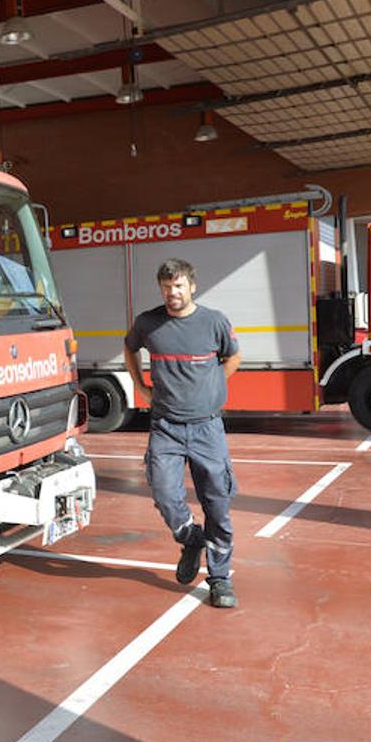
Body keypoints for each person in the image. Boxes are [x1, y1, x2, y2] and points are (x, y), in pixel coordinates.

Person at [123, 258, 242, 609]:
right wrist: (139, 385)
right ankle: (191, 538)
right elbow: (129, 348)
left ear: (192, 286)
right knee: (163, 492)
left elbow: (232, 358)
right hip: (165, 426)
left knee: (217, 504)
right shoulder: (148, 322)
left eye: (177, 286)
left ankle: (219, 579)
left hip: (207, 427)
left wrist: (211, 387)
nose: (171, 293)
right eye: (165, 287)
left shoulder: (214, 322)